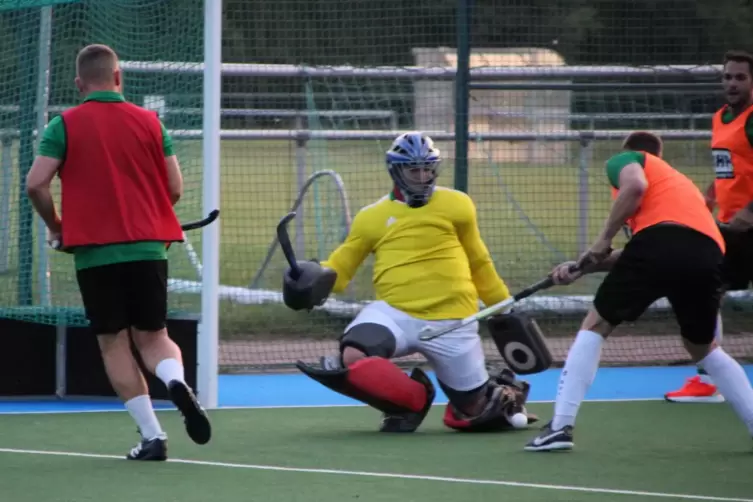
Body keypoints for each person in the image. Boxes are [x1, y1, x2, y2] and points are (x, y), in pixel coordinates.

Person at [281, 131, 539, 433]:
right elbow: (340, 268)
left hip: (453, 319)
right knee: (353, 353)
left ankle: (500, 393)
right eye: (412, 169)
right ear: (395, 170)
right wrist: (309, 277)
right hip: (394, 313)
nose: (421, 176)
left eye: (427, 168)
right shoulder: (371, 217)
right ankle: (412, 402)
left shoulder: (458, 205)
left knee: (474, 413)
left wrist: (502, 307)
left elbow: (478, 261)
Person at [25, 44, 211, 460]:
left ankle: (153, 437)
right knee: (155, 336)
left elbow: (35, 183)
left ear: (79, 84)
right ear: (118, 77)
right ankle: (176, 381)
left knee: (114, 343)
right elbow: (175, 187)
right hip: (149, 248)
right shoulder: (150, 122)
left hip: (96, 254)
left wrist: (57, 227)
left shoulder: (64, 124)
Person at [524, 131, 753, 452]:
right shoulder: (679, 187)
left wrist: (602, 240)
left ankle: (560, 427)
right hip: (708, 253)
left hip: (662, 245)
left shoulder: (627, 160)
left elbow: (635, 189)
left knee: (595, 325)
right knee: (703, 346)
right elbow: (644, 253)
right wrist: (581, 266)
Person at [664, 49, 753, 404]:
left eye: (740, 77)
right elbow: (728, 167)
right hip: (730, 229)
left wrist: (750, 209)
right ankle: (707, 380)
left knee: (707, 292)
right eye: (727, 76)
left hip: (748, 224)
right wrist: (707, 202)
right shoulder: (721, 117)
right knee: (706, 292)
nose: (731, 83)